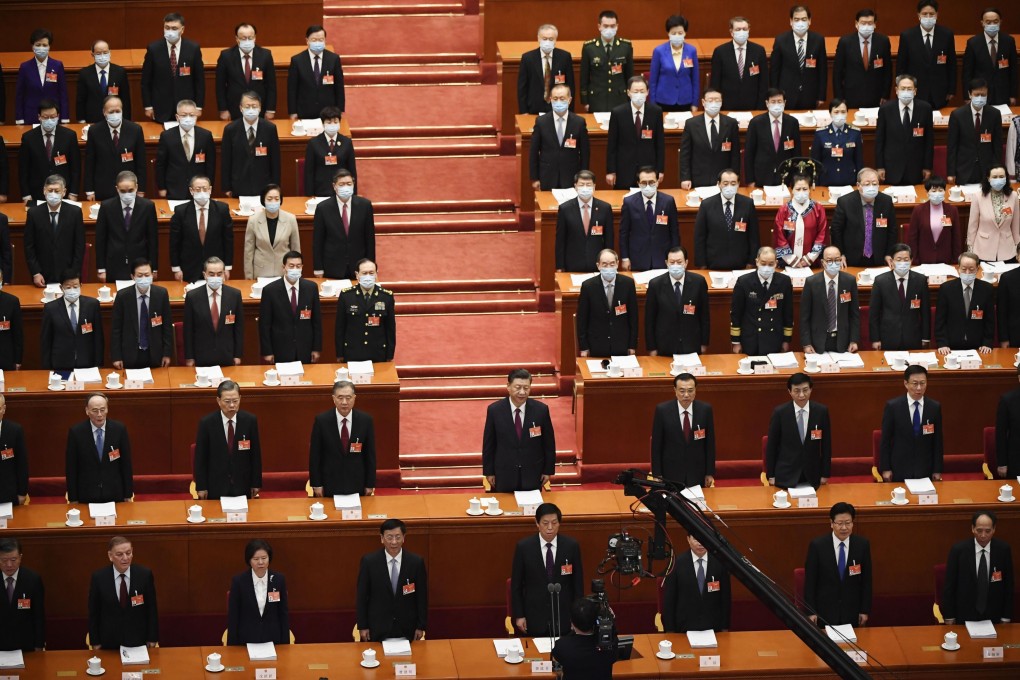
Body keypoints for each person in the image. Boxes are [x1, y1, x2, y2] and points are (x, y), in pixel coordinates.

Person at [510, 503, 583, 636]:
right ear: (537, 523)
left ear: (559, 523)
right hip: (534, 618)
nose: (550, 528)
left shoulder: (571, 546)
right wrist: (519, 615)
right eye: (545, 523)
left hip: (563, 619)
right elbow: (516, 586)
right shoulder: (524, 547)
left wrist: (577, 617)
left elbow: (578, 586)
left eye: (554, 523)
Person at [482, 369, 555, 493]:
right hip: (504, 474)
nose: (522, 392)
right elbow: (489, 445)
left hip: (533, 473)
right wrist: (489, 472)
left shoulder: (541, 410)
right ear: (508, 387)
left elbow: (549, 443)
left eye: (526, 388)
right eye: (518, 387)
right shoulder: (495, 410)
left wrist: (548, 471)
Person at [357, 519, 428, 641]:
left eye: (397, 537)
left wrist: (420, 626)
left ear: (404, 538)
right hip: (377, 628)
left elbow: (422, 597)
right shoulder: (369, 562)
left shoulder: (416, 562)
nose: (394, 542)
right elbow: (362, 597)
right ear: (382, 538)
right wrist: (363, 626)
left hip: (407, 629)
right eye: (389, 537)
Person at [804, 502, 872, 627]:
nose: (844, 528)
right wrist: (810, 612)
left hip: (852, 613)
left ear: (853, 523)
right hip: (824, 613)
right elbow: (810, 582)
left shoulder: (862, 545)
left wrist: (864, 610)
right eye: (840, 523)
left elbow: (866, 581)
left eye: (848, 523)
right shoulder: (818, 546)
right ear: (831, 523)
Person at [194, 380, 262, 500]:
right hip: (215, 486)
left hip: (243, 485)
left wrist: (256, 483)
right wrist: (201, 486)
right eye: (227, 401)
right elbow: (200, 458)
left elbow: (255, 455)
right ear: (218, 401)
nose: (232, 405)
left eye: (235, 401)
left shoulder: (250, 421)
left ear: (240, 398)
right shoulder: (207, 423)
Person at [943, 511, 1014, 625]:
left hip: (994, 617)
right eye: (979, 530)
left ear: (994, 529)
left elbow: (1008, 586)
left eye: (988, 531)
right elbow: (949, 586)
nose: (983, 535)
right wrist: (949, 616)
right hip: (964, 616)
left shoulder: (1003, 550)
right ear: (972, 528)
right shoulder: (958, 551)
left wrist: (1006, 617)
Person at [88, 537, 157, 649]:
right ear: (110, 556)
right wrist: (95, 642)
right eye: (119, 554)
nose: (125, 558)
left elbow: (151, 609)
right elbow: (94, 612)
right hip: (109, 641)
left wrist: (152, 638)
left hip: (138, 641)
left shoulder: (144, 575)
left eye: (128, 553)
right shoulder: (99, 578)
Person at [309, 380, 376, 497]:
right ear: (333, 398)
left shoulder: (365, 421)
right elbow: (315, 456)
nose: (344, 402)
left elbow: (370, 455)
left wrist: (370, 484)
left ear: (354, 398)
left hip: (356, 483)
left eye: (348, 397)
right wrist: (316, 484)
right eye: (340, 398)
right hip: (329, 483)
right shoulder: (321, 421)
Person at [766, 373, 832, 488]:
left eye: (805, 390)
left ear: (811, 389)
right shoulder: (780, 413)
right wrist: (771, 475)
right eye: (796, 391)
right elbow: (771, 446)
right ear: (789, 391)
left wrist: (825, 473)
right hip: (786, 475)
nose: (801, 395)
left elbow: (826, 445)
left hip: (813, 476)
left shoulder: (821, 411)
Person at [651, 372, 716, 488]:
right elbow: (656, 445)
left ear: (695, 390)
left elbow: (710, 444)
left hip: (697, 473)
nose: (686, 395)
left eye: (690, 390)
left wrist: (709, 472)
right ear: (675, 390)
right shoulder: (662, 410)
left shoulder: (705, 410)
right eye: (682, 391)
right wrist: (657, 474)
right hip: (670, 474)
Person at [879, 365, 943, 482]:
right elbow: (885, 441)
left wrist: (937, 469)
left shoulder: (934, 407)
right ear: (906, 384)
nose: (919, 388)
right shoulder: (893, 407)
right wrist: (885, 468)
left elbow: (937, 442)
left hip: (925, 470)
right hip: (899, 469)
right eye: (915, 383)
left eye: (922, 383)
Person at [66, 393, 132, 503]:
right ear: (87, 411)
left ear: (107, 409)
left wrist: (128, 494)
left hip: (115, 494)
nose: (100, 414)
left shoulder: (119, 430)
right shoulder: (76, 432)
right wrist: (73, 498)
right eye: (95, 410)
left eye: (103, 409)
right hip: (86, 495)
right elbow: (71, 468)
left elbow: (126, 465)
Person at [645, 246, 709, 355]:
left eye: (679, 262)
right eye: (672, 262)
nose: (676, 266)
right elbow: (649, 320)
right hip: (665, 346)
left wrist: (704, 343)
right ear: (666, 263)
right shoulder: (655, 285)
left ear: (686, 263)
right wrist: (652, 347)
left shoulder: (699, 282)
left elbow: (704, 316)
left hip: (692, 344)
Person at [95, 171, 158, 282]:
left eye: (130, 190)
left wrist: (154, 268)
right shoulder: (106, 207)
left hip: (140, 265)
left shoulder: (147, 206)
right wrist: (101, 269)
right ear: (117, 189)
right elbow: (100, 239)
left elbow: (153, 239)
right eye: (123, 191)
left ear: (137, 187)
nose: (127, 194)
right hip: (114, 264)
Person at [110, 259, 173, 370]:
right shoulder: (123, 296)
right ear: (132, 277)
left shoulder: (161, 294)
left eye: (147, 275)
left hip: (155, 354)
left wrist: (167, 354)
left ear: (152, 275)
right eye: (140, 275)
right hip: (129, 355)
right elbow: (116, 329)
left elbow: (167, 327)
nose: (144, 279)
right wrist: (116, 356)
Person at [259, 251, 321, 363]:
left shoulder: (311, 288)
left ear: (302, 267)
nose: (295, 269)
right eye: (291, 266)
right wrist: (267, 351)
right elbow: (264, 325)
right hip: (280, 350)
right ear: (284, 267)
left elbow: (317, 322)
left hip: (305, 349)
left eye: (298, 266)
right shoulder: (270, 291)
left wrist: (316, 349)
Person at [141, 13, 204, 123]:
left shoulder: (193, 48)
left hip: (186, 110)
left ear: (182, 29)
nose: (170, 31)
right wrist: (148, 106)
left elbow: (199, 81)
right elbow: (146, 81)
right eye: (167, 28)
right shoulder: (153, 49)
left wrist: (198, 107)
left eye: (174, 28)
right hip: (160, 109)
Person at [661, 534, 731, 633]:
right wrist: (670, 630)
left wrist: (724, 627)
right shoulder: (676, 564)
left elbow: (725, 598)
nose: (700, 543)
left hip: (713, 628)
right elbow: (669, 600)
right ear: (688, 539)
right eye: (696, 539)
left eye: (704, 539)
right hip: (683, 628)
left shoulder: (720, 563)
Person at [313, 170, 375, 279]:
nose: (345, 187)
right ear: (334, 186)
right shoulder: (323, 208)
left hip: (359, 267)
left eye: (349, 184)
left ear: (353, 184)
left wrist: (371, 266)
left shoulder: (365, 206)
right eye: (341, 184)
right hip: (332, 266)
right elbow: (318, 241)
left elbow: (370, 239)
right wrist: (318, 268)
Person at [23, 175, 85, 286]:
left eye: (57, 191)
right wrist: (35, 272)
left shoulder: (75, 212)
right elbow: (29, 246)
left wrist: (74, 274)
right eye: (50, 190)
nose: (53, 194)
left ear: (64, 192)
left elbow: (79, 245)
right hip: (42, 275)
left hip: (68, 273)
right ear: (44, 190)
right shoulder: (33, 213)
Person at [170, 176, 234, 282]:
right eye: (198, 189)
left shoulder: (222, 209)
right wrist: (176, 268)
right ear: (191, 191)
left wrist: (227, 267)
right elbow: (174, 242)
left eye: (205, 189)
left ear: (210, 190)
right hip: (189, 268)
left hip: (215, 270)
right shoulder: (181, 211)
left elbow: (228, 240)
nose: (202, 192)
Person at [730, 247, 793, 355]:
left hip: (774, 339)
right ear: (757, 262)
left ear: (776, 263)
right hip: (751, 339)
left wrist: (786, 340)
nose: (766, 267)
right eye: (763, 263)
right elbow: (736, 314)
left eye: (770, 264)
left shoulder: (785, 282)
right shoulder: (744, 282)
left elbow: (788, 313)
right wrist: (736, 341)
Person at [831, 168, 898, 268]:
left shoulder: (886, 201)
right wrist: (840, 254)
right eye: (867, 184)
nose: (871, 187)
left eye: (875, 184)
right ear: (858, 186)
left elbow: (892, 230)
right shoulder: (845, 202)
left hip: (880, 258)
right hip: (851, 259)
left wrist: (889, 254)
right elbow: (836, 230)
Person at [869, 244, 931, 351]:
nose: (902, 263)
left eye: (906, 259)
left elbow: (925, 312)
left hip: (913, 338)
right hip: (888, 338)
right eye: (898, 259)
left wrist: (926, 338)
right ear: (892, 261)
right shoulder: (880, 281)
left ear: (911, 261)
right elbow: (874, 314)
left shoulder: (920, 281)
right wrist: (875, 339)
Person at [876, 74, 934, 187]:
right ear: (896, 90)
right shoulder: (885, 109)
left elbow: (929, 141)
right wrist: (880, 166)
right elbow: (879, 140)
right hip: (891, 168)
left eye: (909, 89)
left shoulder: (925, 109)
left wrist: (927, 167)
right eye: (903, 88)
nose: (906, 91)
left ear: (915, 91)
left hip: (916, 169)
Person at [83, 96, 146, 201]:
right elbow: (90, 163)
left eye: (118, 111)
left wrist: (141, 190)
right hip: (103, 188)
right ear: (104, 112)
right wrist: (89, 191)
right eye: (111, 111)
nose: (115, 114)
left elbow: (141, 163)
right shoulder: (94, 131)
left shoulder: (135, 130)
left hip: (128, 190)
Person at [694, 168, 759, 269]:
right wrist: (702, 264)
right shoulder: (706, 205)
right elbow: (700, 237)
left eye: (733, 183)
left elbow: (754, 237)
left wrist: (751, 262)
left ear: (738, 184)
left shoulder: (748, 204)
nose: (729, 187)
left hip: (741, 264)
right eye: (725, 183)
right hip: (714, 264)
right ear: (719, 184)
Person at [227, 539, 289, 645]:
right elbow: (233, 616)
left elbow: (283, 614)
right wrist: (232, 647)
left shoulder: (278, 580)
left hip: (273, 640)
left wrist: (285, 645)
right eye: (256, 559)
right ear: (249, 560)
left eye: (264, 558)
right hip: (246, 641)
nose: (260, 562)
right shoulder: (239, 582)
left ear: (269, 558)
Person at [576, 249, 637, 357]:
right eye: (604, 264)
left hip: (621, 345)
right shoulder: (588, 287)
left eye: (612, 264)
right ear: (598, 266)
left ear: (617, 264)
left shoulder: (628, 284)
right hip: (596, 345)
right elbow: (582, 320)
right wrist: (584, 347)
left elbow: (633, 317)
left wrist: (632, 345)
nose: (608, 268)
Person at [606, 77, 664, 189]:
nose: (639, 94)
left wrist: (660, 170)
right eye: (635, 91)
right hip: (623, 169)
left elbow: (660, 144)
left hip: (648, 171)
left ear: (647, 92)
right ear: (628, 93)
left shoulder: (656, 112)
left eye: (642, 91)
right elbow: (611, 145)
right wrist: (611, 171)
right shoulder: (618, 113)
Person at [184, 258, 244, 367]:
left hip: (227, 356)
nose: (215, 277)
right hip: (201, 356)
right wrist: (189, 357)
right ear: (204, 275)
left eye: (219, 274)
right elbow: (188, 330)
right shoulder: (193, 297)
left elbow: (238, 329)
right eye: (211, 274)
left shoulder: (234, 295)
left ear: (224, 275)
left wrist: (237, 355)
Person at [800, 246, 860, 354]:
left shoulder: (849, 281)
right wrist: (806, 343)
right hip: (817, 342)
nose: (834, 263)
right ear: (823, 262)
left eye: (837, 260)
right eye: (829, 260)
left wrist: (853, 340)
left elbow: (854, 315)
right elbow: (804, 317)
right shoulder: (811, 283)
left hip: (843, 341)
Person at [530, 85, 589, 192]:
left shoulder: (579, 123)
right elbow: (533, 152)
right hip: (547, 176)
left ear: (569, 100)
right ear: (550, 100)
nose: (558, 102)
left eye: (562, 99)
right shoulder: (541, 122)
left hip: (571, 176)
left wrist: (583, 178)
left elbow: (585, 153)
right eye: (555, 99)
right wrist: (535, 178)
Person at [41, 271, 103, 371]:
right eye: (68, 287)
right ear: (61, 288)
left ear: (81, 286)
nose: (72, 290)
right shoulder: (50, 308)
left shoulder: (92, 305)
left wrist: (99, 363)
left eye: (75, 286)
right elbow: (46, 340)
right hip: (61, 364)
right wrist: (47, 367)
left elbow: (98, 338)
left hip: (87, 363)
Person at [18, 101, 80, 201]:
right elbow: (23, 170)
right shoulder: (28, 138)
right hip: (37, 192)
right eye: (45, 117)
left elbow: (75, 168)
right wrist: (26, 194)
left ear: (58, 116)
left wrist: (74, 192)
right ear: (39, 117)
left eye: (52, 117)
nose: (49, 120)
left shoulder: (69, 136)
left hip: (63, 191)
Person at [335, 259, 395, 362]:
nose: (368, 276)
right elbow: (340, 327)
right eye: (364, 273)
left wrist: (390, 354)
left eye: (371, 273)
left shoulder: (386, 296)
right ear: (357, 275)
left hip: (378, 352)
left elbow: (390, 328)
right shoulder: (346, 296)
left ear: (376, 274)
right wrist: (339, 353)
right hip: (353, 352)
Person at [679, 89, 740, 189]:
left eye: (717, 100)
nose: (714, 103)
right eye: (710, 100)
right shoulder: (691, 124)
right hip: (698, 179)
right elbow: (685, 154)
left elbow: (735, 155)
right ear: (703, 102)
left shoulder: (731, 123)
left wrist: (735, 178)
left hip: (724, 181)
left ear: (721, 102)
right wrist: (685, 178)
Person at [618, 167, 678, 271]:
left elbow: (674, 231)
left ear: (658, 182)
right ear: (638, 183)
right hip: (638, 258)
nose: (648, 186)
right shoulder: (629, 202)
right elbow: (624, 233)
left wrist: (675, 257)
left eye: (651, 182)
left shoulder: (668, 201)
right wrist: (625, 258)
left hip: (662, 257)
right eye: (644, 183)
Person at [222, 92, 280, 197]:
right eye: (247, 106)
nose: (251, 110)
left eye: (254, 106)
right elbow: (226, 161)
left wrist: (275, 187)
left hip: (264, 187)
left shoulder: (270, 129)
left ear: (260, 108)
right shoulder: (230, 130)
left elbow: (275, 161)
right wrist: (227, 187)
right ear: (240, 108)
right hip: (239, 186)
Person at [897, 2, 956, 107]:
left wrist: (951, 89)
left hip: (940, 92)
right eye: (924, 14)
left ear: (937, 15)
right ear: (918, 15)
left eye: (931, 14)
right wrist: (902, 89)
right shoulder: (907, 36)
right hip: (915, 92)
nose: (928, 17)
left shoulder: (946, 35)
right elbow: (901, 66)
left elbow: (952, 65)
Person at [935, 252, 995, 354]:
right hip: (950, 346)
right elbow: (940, 320)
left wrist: (987, 342)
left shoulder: (987, 289)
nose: (967, 272)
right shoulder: (946, 289)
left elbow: (990, 320)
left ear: (977, 269)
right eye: (963, 269)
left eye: (971, 269)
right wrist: (942, 343)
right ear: (958, 268)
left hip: (979, 346)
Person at [155, 100, 216, 199]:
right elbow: (161, 165)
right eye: (184, 115)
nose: (188, 118)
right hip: (174, 188)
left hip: (199, 190)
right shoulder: (167, 136)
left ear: (196, 116)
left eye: (192, 115)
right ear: (177, 117)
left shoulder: (206, 136)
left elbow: (210, 165)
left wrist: (209, 187)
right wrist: (162, 188)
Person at [947, 79, 1003, 186]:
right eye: (977, 94)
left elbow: (997, 146)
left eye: (983, 94)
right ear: (969, 94)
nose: (980, 98)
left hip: (986, 171)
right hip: (963, 170)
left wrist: (996, 171)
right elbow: (952, 147)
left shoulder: (994, 114)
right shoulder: (957, 115)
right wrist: (951, 173)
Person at [832, 9, 892, 108]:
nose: (867, 26)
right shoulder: (845, 42)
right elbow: (837, 73)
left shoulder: (883, 41)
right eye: (863, 23)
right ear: (856, 24)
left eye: (870, 23)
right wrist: (839, 98)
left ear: (875, 24)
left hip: (876, 96)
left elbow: (888, 71)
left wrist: (885, 95)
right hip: (851, 96)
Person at [770, 5, 827, 110]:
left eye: (804, 19)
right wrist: (775, 96)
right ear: (791, 21)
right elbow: (774, 71)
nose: (800, 23)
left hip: (810, 95)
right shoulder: (780, 40)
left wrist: (821, 96)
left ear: (809, 21)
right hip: (786, 95)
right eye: (796, 19)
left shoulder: (818, 40)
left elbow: (822, 70)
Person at [216, 23, 276, 121]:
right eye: (243, 38)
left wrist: (270, 109)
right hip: (234, 108)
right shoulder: (226, 56)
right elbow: (220, 86)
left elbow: (271, 85)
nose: (247, 41)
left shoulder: (265, 55)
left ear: (255, 37)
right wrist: (223, 109)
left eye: (250, 37)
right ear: (237, 39)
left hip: (259, 108)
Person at [555, 171, 611, 272]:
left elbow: (609, 239)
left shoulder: (605, 208)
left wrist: (608, 263)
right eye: (581, 185)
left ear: (594, 186)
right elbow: (560, 240)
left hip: (597, 265)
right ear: (575, 186)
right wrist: (560, 266)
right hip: (572, 264)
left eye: (588, 185)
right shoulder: (565, 209)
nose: (585, 188)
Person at [745, 88, 801, 188]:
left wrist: (796, 179)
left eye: (779, 102)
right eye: (773, 102)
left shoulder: (792, 123)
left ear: (785, 103)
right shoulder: (756, 123)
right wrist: (750, 181)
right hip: (761, 178)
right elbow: (749, 154)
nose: (776, 105)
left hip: (785, 178)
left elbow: (796, 153)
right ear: (767, 103)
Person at [710, 17, 767, 111]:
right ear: (731, 32)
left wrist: (760, 108)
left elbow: (763, 83)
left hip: (753, 106)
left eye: (744, 29)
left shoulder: (759, 51)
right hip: (727, 107)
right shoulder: (720, 52)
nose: (742, 32)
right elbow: (715, 83)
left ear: (749, 30)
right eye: (738, 29)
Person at [579, 11, 632, 113]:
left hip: (620, 99)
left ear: (617, 26)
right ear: (599, 26)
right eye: (606, 26)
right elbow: (584, 77)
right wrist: (585, 101)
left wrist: (630, 98)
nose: (609, 29)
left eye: (612, 26)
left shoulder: (626, 46)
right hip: (597, 99)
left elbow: (629, 76)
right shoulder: (589, 48)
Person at [288, 25, 345, 120]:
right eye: (314, 40)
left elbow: (339, 86)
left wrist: (340, 109)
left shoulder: (334, 59)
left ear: (325, 40)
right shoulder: (297, 60)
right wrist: (292, 112)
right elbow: (292, 89)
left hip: (329, 112)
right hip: (305, 111)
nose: (318, 43)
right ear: (307, 40)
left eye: (321, 40)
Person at [244, 185, 301, 279]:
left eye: (276, 199)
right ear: (263, 200)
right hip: (260, 272)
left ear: (280, 200)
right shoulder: (253, 220)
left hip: (283, 272)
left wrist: (295, 271)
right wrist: (248, 277)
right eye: (269, 199)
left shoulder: (291, 219)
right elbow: (248, 252)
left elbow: (295, 248)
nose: (273, 202)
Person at [14, 29, 69, 126]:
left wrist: (64, 117)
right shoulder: (25, 67)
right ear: (32, 46)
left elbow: (63, 93)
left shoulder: (57, 65)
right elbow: (19, 95)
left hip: (52, 116)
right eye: (38, 45)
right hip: (31, 115)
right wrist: (19, 118)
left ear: (49, 47)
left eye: (44, 45)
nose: (41, 48)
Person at [551, 597, 616, 679]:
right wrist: (612, 621)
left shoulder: (562, 646)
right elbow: (613, 634)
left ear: (572, 622)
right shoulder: (609, 646)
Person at [963, 9, 1016, 107]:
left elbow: (1013, 71)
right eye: (988, 22)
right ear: (982, 23)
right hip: (981, 94)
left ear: (1000, 22)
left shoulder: (1009, 41)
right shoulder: (973, 43)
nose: (992, 24)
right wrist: (967, 96)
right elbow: (967, 73)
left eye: (995, 21)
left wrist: (1013, 95)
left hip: (1003, 94)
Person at [518, 24, 575, 115]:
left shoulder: (564, 57)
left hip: (558, 109)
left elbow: (570, 85)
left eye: (551, 39)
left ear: (556, 40)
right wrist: (524, 111)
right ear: (538, 39)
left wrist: (570, 110)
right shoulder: (528, 58)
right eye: (544, 39)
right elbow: (522, 88)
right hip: (534, 109)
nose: (547, 42)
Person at [967, 165, 1020, 262]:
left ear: (1006, 178)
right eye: (995, 177)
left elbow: (1016, 225)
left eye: (1001, 177)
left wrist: (1017, 245)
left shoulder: (1014, 196)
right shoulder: (978, 197)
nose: (998, 179)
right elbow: (972, 225)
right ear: (988, 178)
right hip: (983, 249)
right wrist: (970, 247)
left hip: (1007, 250)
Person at [0, 538, 45, 651]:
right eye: (4, 560)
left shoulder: (32, 580)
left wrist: (39, 645)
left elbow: (39, 616)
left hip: (26, 646)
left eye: (13, 560)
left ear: (20, 557)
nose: (9, 565)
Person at [906, 176, 962, 265]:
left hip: (946, 260)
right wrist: (915, 260)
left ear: (945, 192)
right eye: (934, 190)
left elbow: (956, 238)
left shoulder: (952, 210)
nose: (937, 193)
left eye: (940, 190)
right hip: (923, 260)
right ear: (927, 193)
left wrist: (955, 260)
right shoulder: (918, 210)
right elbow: (913, 238)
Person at [649, 15, 699, 112]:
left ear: (685, 33)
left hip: (685, 101)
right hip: (663, 101)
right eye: (673, 33)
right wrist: (652, 104)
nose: (677, 36)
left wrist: (695, 103)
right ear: (668, 33)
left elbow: (695, 80)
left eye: (680, 33)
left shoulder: (692, 51)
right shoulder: (659, 51)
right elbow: (653, 81)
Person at [775, 174, 826, 268]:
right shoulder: (784, 210)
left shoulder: (818, 209)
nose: (801, 192)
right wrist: (791, 259)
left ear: (810, 189)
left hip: (812, 261)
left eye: (805, 189)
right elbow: (780, 236)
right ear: (792, 190)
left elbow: (822, 234)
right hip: (787, 262)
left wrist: (810, 258)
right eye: (798, 189)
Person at [304, 106, 357, 197]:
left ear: (339, 123)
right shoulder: (313, 143)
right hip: (320, 190)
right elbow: (309, 172)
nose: (332, 125)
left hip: (342, 191)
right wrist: (309, 195)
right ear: (323, 123)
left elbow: (352, 169)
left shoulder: (346, 142)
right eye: (329, 122)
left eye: (335, 122)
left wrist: (354, 193)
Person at [811, 99, 863, 187]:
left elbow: (859, 161)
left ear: (847, 113)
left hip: (849, 181)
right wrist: (816, 184)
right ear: (830, 113)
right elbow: (815, 163)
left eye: (843, 112)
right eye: (836, 112)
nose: (840, 115)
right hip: (826, 181)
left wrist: (859, 182)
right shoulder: (820, 134)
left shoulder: (855, 133)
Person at [76, 40, 131, 124]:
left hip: (115, 118)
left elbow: (125, 99)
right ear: (92, 54)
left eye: (105, 52)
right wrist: (81, 120)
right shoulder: (85, 73)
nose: (102, 56)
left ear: (110, 53)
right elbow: (81, 99)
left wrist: (127, 120)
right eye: (98, 53)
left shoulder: (120, 72)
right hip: (92, 119)